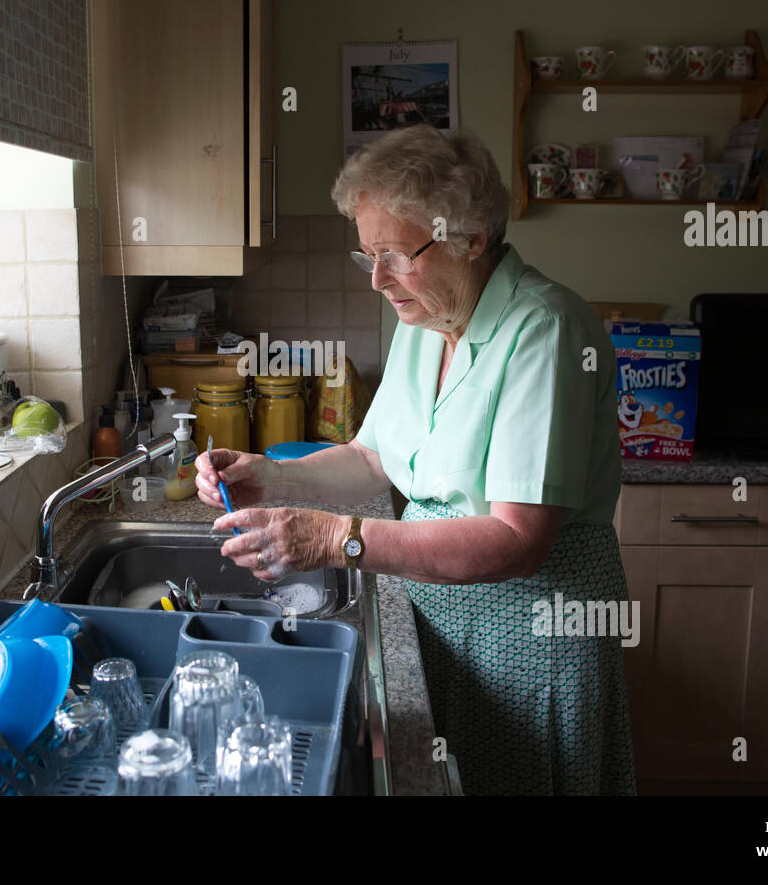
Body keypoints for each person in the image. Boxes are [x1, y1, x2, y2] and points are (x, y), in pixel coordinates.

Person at [195, 124, 636, 795]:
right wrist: (268, 476)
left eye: (396, 254)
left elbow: (516, 540)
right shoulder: (425, 318)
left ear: (471, 238)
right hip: (443, 610)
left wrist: (333, 539)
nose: (378, 279)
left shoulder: (545, 331)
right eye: (367, 255)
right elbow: (375, 458)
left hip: (532, 623)